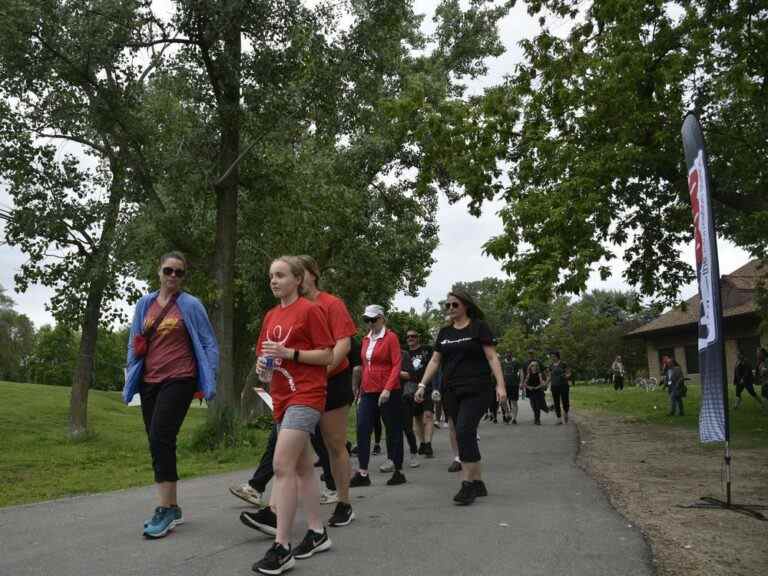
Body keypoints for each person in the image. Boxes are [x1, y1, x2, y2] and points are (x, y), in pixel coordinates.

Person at [248, 256, 335, 575]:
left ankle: (282, 547)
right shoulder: (271, 316)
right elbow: (265, 363)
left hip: (307, 395)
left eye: (281, 275)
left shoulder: (311, 311)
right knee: (301, 467)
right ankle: (316, 531)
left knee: (281, 464)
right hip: (281, 397)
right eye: (271, 275)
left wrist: (290, 353)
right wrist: (262, 369)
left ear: (298, 279)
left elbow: (327, 355)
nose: (273, 280)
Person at [123, 251, 219, 539]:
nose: (173, 276)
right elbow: (134, 340)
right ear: (159, 271)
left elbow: (209, 343)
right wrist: (131, 375)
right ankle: (173, 506)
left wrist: (207, 379)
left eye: (179, 272)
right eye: (169, 271)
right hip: (149, 380)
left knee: (160, 437)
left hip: (180, 378)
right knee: (159, 442)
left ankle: (163, 509)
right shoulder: (145, 303)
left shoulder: (191, 305)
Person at [415, 290, 507, 505]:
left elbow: (492, 356)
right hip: (451, 391)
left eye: (454, 305)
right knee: (461, 432)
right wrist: (422, 384)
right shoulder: (445, 332)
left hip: (477, 389)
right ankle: (478, 482)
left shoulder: (478, 327)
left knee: (465, 430)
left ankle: (467, 485)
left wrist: (500, 385)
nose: (450, 309)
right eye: (447, 306)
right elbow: (435, 361)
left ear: (465, 306)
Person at [296, 255, 359, 526]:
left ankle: (344, 502)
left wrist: (323, 369)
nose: (297, 279)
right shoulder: (292, 307)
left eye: (301, 273)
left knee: (334, 443)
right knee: (293, 442)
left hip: (332, 378)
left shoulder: (331, 303)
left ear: (313, 273)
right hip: (300, 384)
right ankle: (278, 508)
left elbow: (344, 344)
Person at [350, 305, 407, 487]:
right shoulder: (366, 340)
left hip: (389, 391)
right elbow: (364, 366)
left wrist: (388, 389)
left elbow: (396, 365)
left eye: (373, 319)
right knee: (362, 427)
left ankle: (398, 470)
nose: (370, 323)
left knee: (393, 429)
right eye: (367, 320)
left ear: (382, 319)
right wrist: (359, 389)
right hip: (368, 391)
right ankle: (363, 473)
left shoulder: (390, 338)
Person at [406, 329, 436, 457]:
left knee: (428, 415)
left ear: (418, 338)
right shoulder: (404, 353)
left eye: (413, 336)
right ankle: (422, 443)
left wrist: (436, 387)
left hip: (427, 386)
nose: (410, 338)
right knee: (417, 418)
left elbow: (435, 364)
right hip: (411, 389)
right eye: (408, 337)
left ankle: (428, 444)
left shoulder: (427, 350)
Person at [549, 351, 570, 424]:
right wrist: (545, 384)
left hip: (563, 385)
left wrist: (566, 376)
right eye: (551, 356)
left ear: (557, 356)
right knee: (556, 402)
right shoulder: (551, 365)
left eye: (553, 356)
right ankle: (559, 419)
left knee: (565, 401)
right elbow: (550, 376)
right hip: (554, 386)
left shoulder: (563, 364)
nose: (552, 358)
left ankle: (566, 413)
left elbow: (568, 373)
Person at [500, 353, 521, 424]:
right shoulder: (502, 363)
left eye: (509, 355)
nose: (508, 356)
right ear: (505, 356)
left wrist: (521, 382)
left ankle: (514, 418)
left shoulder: (516, 362)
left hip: (514, 384)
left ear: (511, 356)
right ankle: (507, 413)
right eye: (506, 355)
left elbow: (521, 372)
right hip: (505, 385)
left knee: (513, 402)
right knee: (502, 401)